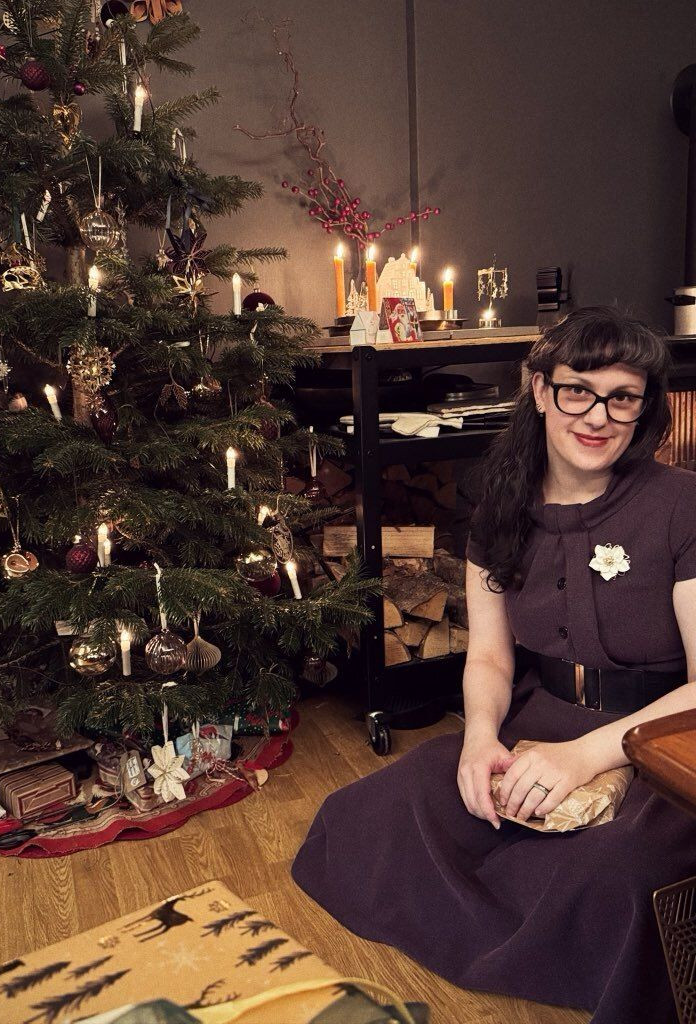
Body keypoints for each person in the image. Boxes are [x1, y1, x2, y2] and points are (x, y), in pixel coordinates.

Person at [292, 307, 696, 1024]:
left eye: (622, 396)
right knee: (376, 811)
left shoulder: (683, 506)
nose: (598, 415)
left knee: (623, 879)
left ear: (644, 407)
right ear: (539, 390)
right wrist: (481, 737)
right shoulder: (499, 511)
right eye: (578, 390)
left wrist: (587, 758)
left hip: (666, 737)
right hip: (540, 722)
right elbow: (487, 656)